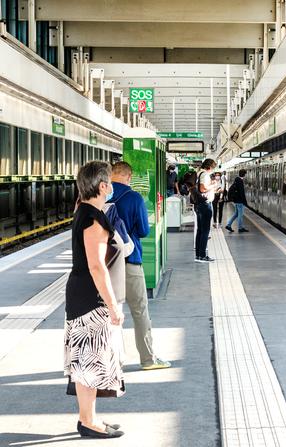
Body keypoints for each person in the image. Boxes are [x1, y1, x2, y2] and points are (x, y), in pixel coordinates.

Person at [64, 161, 125, 438]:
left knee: (84, 361)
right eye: (110, 183)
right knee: (89, 361)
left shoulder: (83, 211)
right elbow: (97, 266)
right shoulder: (93, 219)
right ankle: (89, 423)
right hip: (90, 298)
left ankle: (88, 418)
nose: (111, 187)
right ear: (103, 186)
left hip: (80, 294)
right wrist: (113, 306)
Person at [109, 161, 171, 370]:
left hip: (106, 263)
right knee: (139, 311)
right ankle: (148, 359)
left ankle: (113, 361)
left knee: (110, 313)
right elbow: (144, 230)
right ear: (129, 176)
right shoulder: (134, 197)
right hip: (129, 261)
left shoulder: (101, 195)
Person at [103, 201, 135, 367]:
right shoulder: (111, 214)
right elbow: (129, 248)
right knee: (113, 324)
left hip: (86, 289)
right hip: (112, 283)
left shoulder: (81, 212)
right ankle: (115, 361)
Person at [194, 159, 216, 261]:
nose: (213, 169)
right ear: (209, 167)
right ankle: (202, 255)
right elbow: (202, 189)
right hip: (205, 204)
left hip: (200, 204)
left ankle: (198, 255)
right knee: (205, 231)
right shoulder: (205, 175)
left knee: (200, 230)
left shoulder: (199, 173)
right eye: (213, 167)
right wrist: (213, 185)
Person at [225, 169, 249, 233]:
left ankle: (228, 225)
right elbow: (241, 192)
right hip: (239, 201)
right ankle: (240, 228)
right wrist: (245, 202)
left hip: (236, 200)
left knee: (236, 214)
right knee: (240, 215)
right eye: (245, 174)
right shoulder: (240, 181)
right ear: (244, 174)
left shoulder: (236, 180)